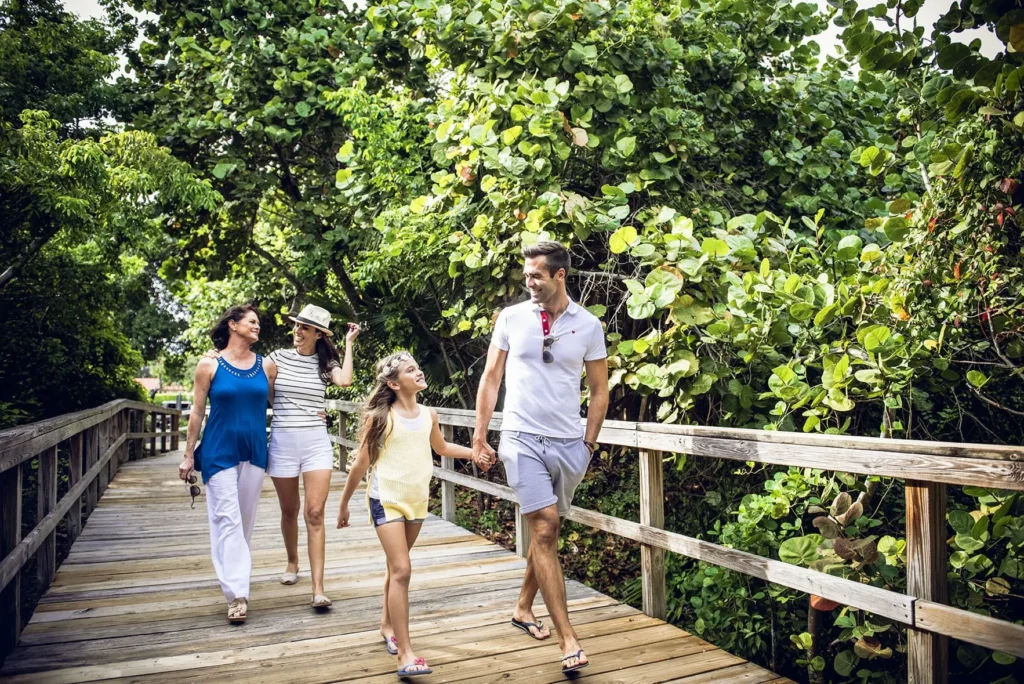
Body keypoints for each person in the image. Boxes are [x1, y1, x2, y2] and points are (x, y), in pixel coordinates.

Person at [472, 241, 609, 674]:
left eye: (536, 276)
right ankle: (569, 639)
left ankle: (523, 608)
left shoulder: (588, 325)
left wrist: (588, 443)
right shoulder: (512, 318)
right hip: (521, 437)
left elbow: (600, 390)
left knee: (546, 533)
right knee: (545, 527)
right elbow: (491, 378)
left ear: (559, 275)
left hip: (570, 443)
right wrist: (480, 437)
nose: (528, 282)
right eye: (526, 275)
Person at [336, 351, 474, 678]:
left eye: (417, 366)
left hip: (417, 500)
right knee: (402, 569)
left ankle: (387, 626)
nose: (419, 371)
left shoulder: (429, 414)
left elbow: (441, 449)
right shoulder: (382, 418)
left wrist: (476, 452)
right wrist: (343, 504)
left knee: (395, 568)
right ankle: (406, 655)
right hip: (386, 498)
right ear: (395, 383)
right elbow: (360, 464)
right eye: (411, 370)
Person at [178, 304, 274, 623]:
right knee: (227, 519)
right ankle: (237, 594)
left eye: (258, 322)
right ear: (233, 325)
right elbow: (196, 411)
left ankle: (235, 576)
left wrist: (315, 414)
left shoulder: (267, 366)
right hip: (218, 451)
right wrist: (189, 454)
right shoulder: (209, 365)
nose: (257, 326)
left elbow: (282, 402)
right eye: (251, 321)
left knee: (242, 522)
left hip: (255, 451)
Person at [267, 304, 360, 608]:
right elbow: (253, 376)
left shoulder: (325, 364)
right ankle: (293, 562)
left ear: (318, 334)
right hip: (282, 440)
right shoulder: (277, 357)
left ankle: (318, 589)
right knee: (289, 510)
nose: (297, 331)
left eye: (305, 328)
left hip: (315, 443)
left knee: (315, 513)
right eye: (296, 326)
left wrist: (348, 344)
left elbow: (345, 381)